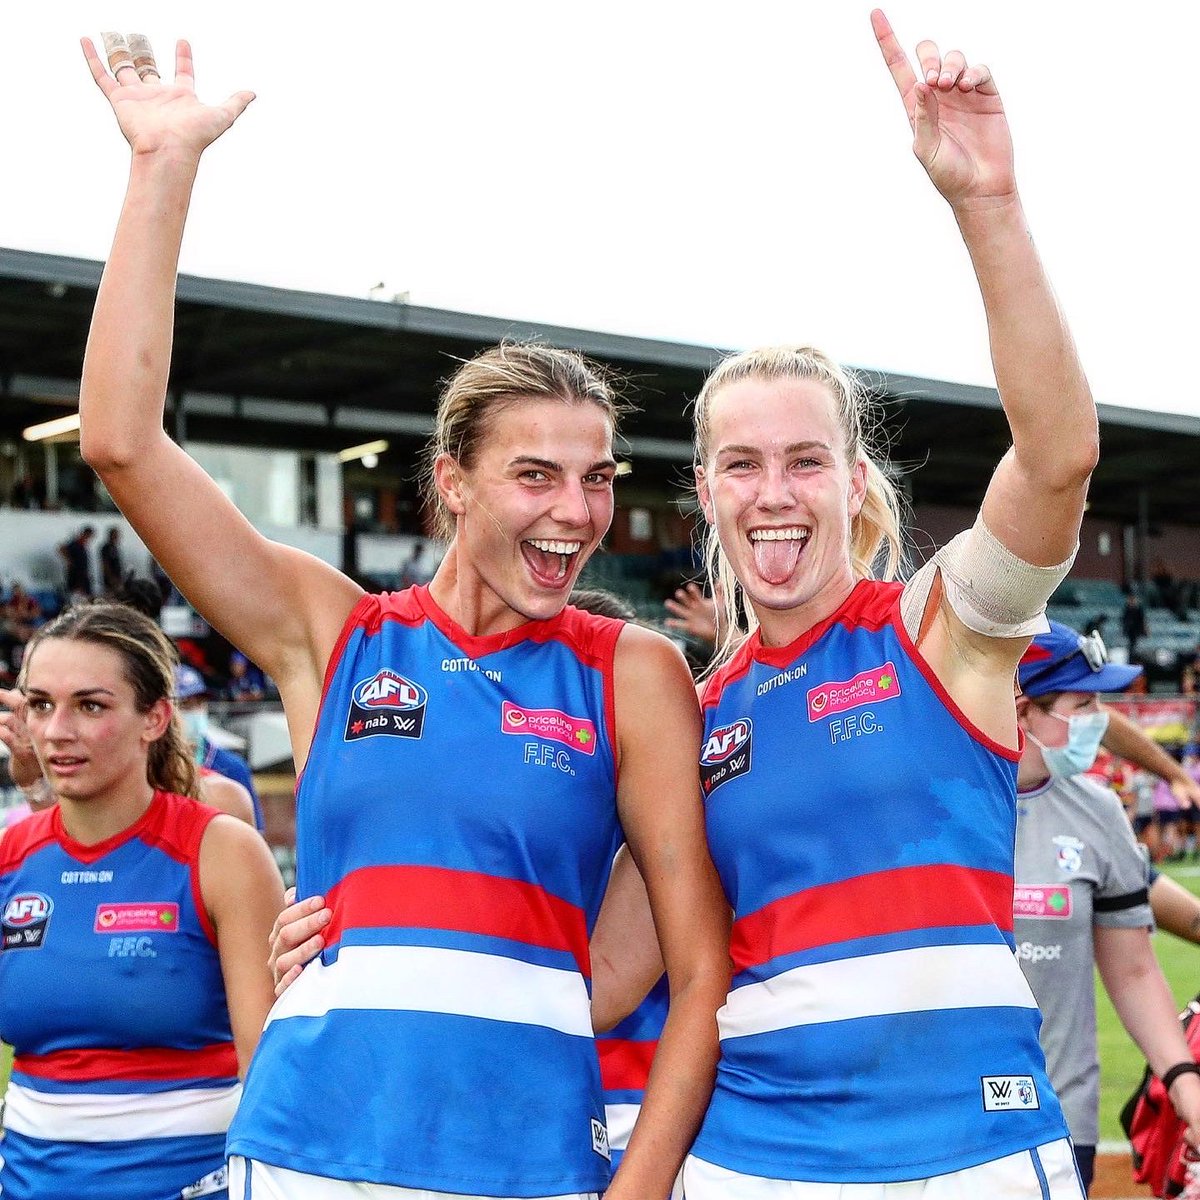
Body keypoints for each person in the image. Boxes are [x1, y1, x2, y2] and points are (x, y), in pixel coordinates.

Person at [78, 31, 728, 1200]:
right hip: (308, 1152)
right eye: (535, 475)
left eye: (597, 479)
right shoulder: (334, 632)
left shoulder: (629, 672)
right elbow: (122, 443)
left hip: (526, 1163)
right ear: (453, 483)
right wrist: (161, 168)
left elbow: (693, 973)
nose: (577, 513)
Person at [675, 12, 1103, 1196]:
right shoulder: (690, 713)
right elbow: (614, 954)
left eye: (805, 461)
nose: (774, 494)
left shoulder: (933, 632)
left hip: (970, 1153)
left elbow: (1058, 458)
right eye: (743, 465)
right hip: (754, 1165)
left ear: (854, 482)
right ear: (705, 490)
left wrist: (988, 206)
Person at [0, 602, 283, 1200]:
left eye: (90, 705)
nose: (57, 731)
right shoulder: (12, 857)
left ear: (154, 718)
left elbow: (270, 1074)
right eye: (41, 704)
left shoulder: (222, 852)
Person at [1013, 622, 1200, 1194]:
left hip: (1061, 1121)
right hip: (945, 1119)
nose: (1099, 721)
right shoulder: (937, 806)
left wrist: (1187, 1087)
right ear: (1021, 711)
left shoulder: (1098, 810)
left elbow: (1135, 970)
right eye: (1084, 705)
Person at [176, 663, 264, 830]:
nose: (195, 712)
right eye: (184, 705)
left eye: (200, 703)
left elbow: (254, 833)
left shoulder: (231, 766)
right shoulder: (148, 766)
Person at [57, 524, 96, 599]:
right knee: (75, 596)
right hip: (75, 574)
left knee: (87, 596)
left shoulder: (83, 545)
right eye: (88, 536)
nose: (89, 539)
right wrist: (68, 560)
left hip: (83, 574)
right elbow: (61, 548)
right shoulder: (75, 543)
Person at [99, 526, 125, 594]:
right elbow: (105, 563)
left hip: (117, 576)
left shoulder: (115, 548)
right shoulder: (106, 547)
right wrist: (110, 577)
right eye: (115, 535)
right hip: (110, 578)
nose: (117, 537)